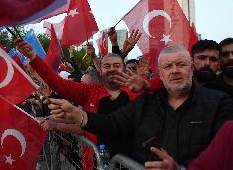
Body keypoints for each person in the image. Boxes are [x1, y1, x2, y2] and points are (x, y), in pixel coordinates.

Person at [47, 44, 233, 169]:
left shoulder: (219, 102)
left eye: (181, 65)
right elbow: (112, 123)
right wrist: (79, 115)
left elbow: (224, 155)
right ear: (160, 73)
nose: (175, 70)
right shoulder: (145, 102)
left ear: (191, 68)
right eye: (168, 67)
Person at [16, 37, 155, 156]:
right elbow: (58, 83)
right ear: (101, 70)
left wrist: (146, 82)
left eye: (116, 65)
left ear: (123, 69)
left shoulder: (137, 90)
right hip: (98, 161)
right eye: (107, 66)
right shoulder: (89, 91)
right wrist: (33, 57)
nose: (112, 69)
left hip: (132, 161)